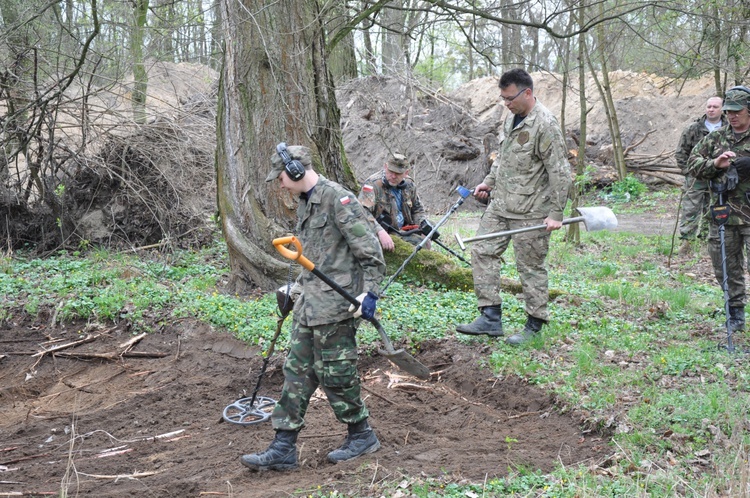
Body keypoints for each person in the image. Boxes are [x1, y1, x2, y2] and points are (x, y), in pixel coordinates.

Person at [241, 143, 386, 471]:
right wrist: (296, 287)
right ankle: (283, 446)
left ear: (294, 171)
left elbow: (370, 251)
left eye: (280, 177)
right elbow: (318, 255)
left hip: (338, 306)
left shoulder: (339, 199)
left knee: (337, 374)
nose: (279, 183)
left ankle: (361, 434)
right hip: (311, 304)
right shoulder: (305, 202)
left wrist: (370, 295)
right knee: (296, 372)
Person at [455, 69, 572, 345]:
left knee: (529, 267)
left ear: (527, 93)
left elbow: (560, 172)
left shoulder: (545, 125)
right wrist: (488, 182)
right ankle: (490, 316)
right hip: (501, 204)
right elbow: (504, 159)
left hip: (531, 209)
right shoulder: (511, 119)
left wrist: (556, 213)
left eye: (510, 98)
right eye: (503, 99)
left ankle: (535, 325)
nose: (506, 104)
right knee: (482, 250)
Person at [687, 86, 750, 334]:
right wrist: (715, 163)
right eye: (728, 111)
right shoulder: (717, 138)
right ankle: (735, 315)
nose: (732, 116)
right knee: (725, 268)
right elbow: (692, 163)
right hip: (723, 215)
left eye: (738, 111)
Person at [675, 96, 727, 254]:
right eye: (709, 106)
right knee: (690, 208)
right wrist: (689, 172)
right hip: (696, 177)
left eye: (715, 107)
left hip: (719, 176)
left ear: (722, 109)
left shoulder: (728, 128)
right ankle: (686, 242)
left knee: (714, 208)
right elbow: (681, 152)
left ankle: (706, 240)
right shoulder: (694, 128)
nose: (711, 109)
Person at [358, 152, 430, 251]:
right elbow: (363, 213)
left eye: (398, 173)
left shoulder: (409, 184)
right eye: (390, 171)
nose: (393, 176)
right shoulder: (372, 185)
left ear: (406, 173)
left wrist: (423, 227)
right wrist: (380, 231)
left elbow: (417, 209)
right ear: (385, 167)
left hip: (405, 230)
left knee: (427, 235)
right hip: (382, 232)